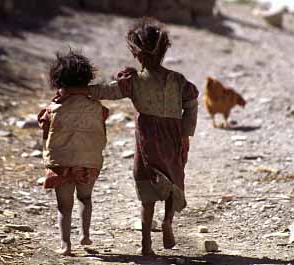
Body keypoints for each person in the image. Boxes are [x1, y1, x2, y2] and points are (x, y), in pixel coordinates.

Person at [89, 17, 199, 255]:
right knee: (173, 181)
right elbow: (191, 104)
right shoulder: (178, 81)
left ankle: (146, 246)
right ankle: (168, 220)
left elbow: (108, 91)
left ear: (137, 54)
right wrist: (186, 134)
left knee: (147, 189)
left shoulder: (133, 81)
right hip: (174, 136)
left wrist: (80, 90)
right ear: (164, 50)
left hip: (148, 141)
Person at [38, 51, 109, 256]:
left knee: (64, 206)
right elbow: (102, 131)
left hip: (60, 162)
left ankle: (65, 245)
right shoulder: (97, 108)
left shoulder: (53, 109)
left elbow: (44, 130)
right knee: (85, 198)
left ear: (59, 82)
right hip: (89, 161)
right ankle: (85, 235)